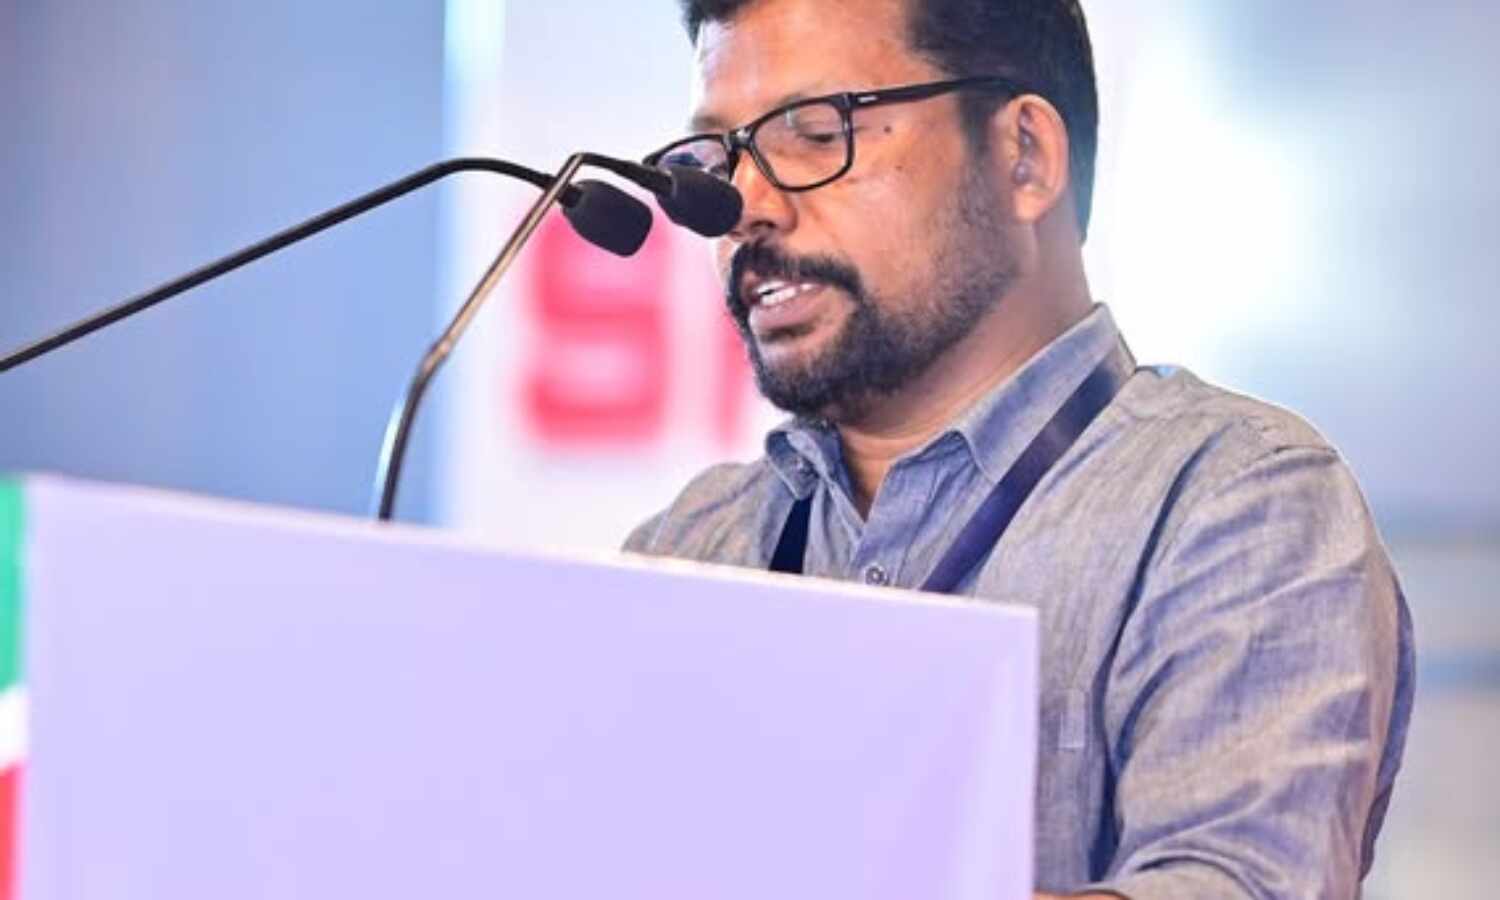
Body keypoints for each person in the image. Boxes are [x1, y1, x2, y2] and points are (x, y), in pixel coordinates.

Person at [624, 0, 1416, 896]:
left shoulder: (1236, 503)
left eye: (814, 134)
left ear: (1024, 156)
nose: (746, 208)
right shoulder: (691, 545)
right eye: (716, 159)